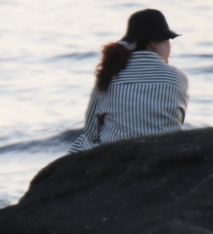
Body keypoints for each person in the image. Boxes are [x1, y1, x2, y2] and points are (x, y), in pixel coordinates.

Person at [70, 9, 188, 153]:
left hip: (116, 155)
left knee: (83, 143)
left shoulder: (110, 74)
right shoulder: (177, 77)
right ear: (154, 43)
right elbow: (177, 120)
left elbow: (91, 132)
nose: (170, 48)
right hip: (163, 153)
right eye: (168, 41)